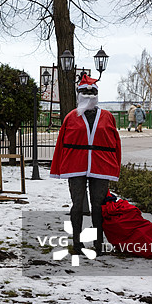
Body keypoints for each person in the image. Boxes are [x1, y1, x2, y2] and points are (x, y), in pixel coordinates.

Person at [51, 74, 122, 254]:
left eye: (92, 92)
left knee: (98, 205)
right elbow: (61, 144)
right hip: (76, 166)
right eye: (84, 91)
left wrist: (115, 167)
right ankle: (77, 242)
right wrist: (59, 168)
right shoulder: (71, 117)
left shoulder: (107, 117)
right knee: (77, 204)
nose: (88, 94)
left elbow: (115, 143)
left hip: (101, 166)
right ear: (78, 93)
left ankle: (98, 243)